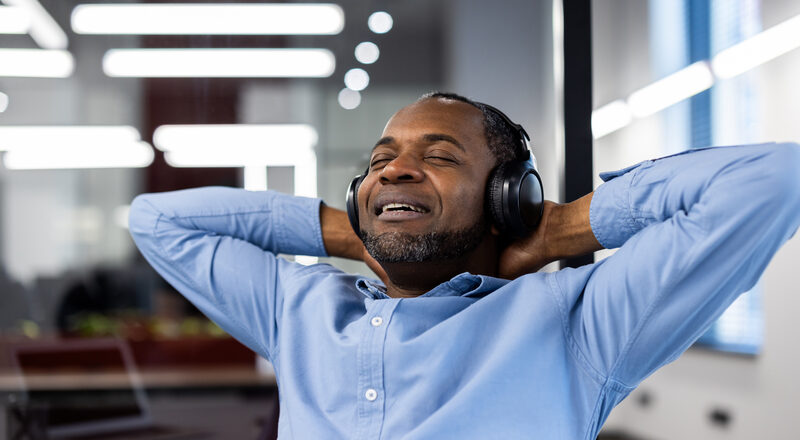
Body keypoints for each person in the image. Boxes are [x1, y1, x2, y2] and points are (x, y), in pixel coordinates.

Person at [129, 92, 800, 439]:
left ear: (508, 196)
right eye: (379, 161)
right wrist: (348, 232)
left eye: (440, 157)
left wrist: (564, 227)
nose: (393, 169)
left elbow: (774, 178)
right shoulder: (297, 308)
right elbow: (156, 221)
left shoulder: (576, 324)